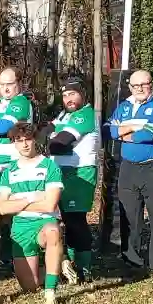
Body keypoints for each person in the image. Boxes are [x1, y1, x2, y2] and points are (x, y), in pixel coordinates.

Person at [107, 68, 153, 284]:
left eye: (144, 84)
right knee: (129, 218)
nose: (139, 89)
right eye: (135, 85)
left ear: (151, 84)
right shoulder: (124, 106)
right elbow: (109, 129)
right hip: (128, 169)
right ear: (129, 87)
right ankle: (132, 264)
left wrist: (126, 133)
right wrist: (136, 127)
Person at [0, 123, 66, 304]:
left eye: (28, 139)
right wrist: (33, 197)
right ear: (14, 143)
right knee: (30, 286)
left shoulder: (49, 166)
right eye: (19, 141)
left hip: (44, 222)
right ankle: (58, 263)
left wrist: (16, 202)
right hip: (20, 228)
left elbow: (50, 205)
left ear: (35, 140)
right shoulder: (9, 171)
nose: (25, 144)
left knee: (53, 232)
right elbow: (3, 208)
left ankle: (50, 290)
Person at [0, 68, 35, 264]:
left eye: (9, 84)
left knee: (14, 211)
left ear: (18, 84)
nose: (5, 88)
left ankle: (17, 254)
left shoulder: (20, 102)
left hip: (12, 166)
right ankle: (7, 253)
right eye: (2, 84)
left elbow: (4, 126)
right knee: (1, 210)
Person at [48, 77, 99, 284]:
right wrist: (50, 136)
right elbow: (44, 130)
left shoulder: (85, 114)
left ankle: (85, 269)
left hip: (80, 173)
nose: (68, 99)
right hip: (60, 172)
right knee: (64, 220)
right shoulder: (64, 114)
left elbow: (59, 144)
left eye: (73, 94)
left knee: (76, 221)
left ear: (83, 94)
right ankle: (69, 266)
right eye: (65, 95)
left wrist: (52, 138)